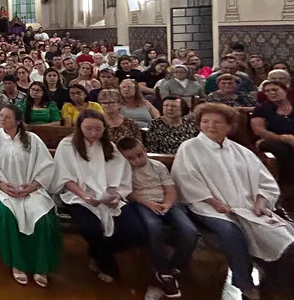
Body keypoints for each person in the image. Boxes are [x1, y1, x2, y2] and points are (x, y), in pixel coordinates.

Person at [174, 103, 294, 300]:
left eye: (217, 122)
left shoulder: (241, 151)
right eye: (205, 122)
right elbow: (186, 180)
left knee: (283, 233)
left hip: (248, 205)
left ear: (229, 126)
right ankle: (244, 282)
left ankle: (278, 281)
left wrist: (261, 201)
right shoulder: (189, 148)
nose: (210, 126)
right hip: (206, 205)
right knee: (231, 231)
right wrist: (215, 203)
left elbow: (264, 180)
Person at [0, 105, 61, 288]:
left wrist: (33, 186)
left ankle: (40, 265)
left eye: (8, 117)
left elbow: (46, 166)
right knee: (7, 215)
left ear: (18, 121)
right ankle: (17, 263)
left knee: (42, 217)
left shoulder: (32, 139)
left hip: (30, 188)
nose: (2, 119)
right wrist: (1, 184)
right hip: (1, 188)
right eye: (0, 115)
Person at [52, 110, 141, 282]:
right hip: (77, 197)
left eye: (98, 129)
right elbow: (65, 177)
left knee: (135, 230)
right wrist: (84, 195)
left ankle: (97, 253)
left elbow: (121, 176)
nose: (94, 134)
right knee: (91, 228)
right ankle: (107, 261)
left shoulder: (110, 147)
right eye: (88, 129)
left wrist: (115, 196)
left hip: (109, 199)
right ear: (79, 127)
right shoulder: (67, 145)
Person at [117, 137, 197, 298]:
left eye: (140, 155)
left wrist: (167, 204)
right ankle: (163, 270)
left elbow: (170, 188)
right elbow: (130, 194)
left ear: (145, 150)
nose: (137, 160)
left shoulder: (157, 166)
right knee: (153, 227)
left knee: (190, 231)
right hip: (143, 203)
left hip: (167, 203)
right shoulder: (124, 170)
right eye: (130, 158)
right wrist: (149, 204)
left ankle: (173, 267)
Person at [251, 80, 294, 185]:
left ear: (285, 90)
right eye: (267, 91)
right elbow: (259, 130)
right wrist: (285, 139)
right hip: (269, 139)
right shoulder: (261, 109)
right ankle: (287, 184)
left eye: (275, 89)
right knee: (281, 148)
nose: (271, 93)